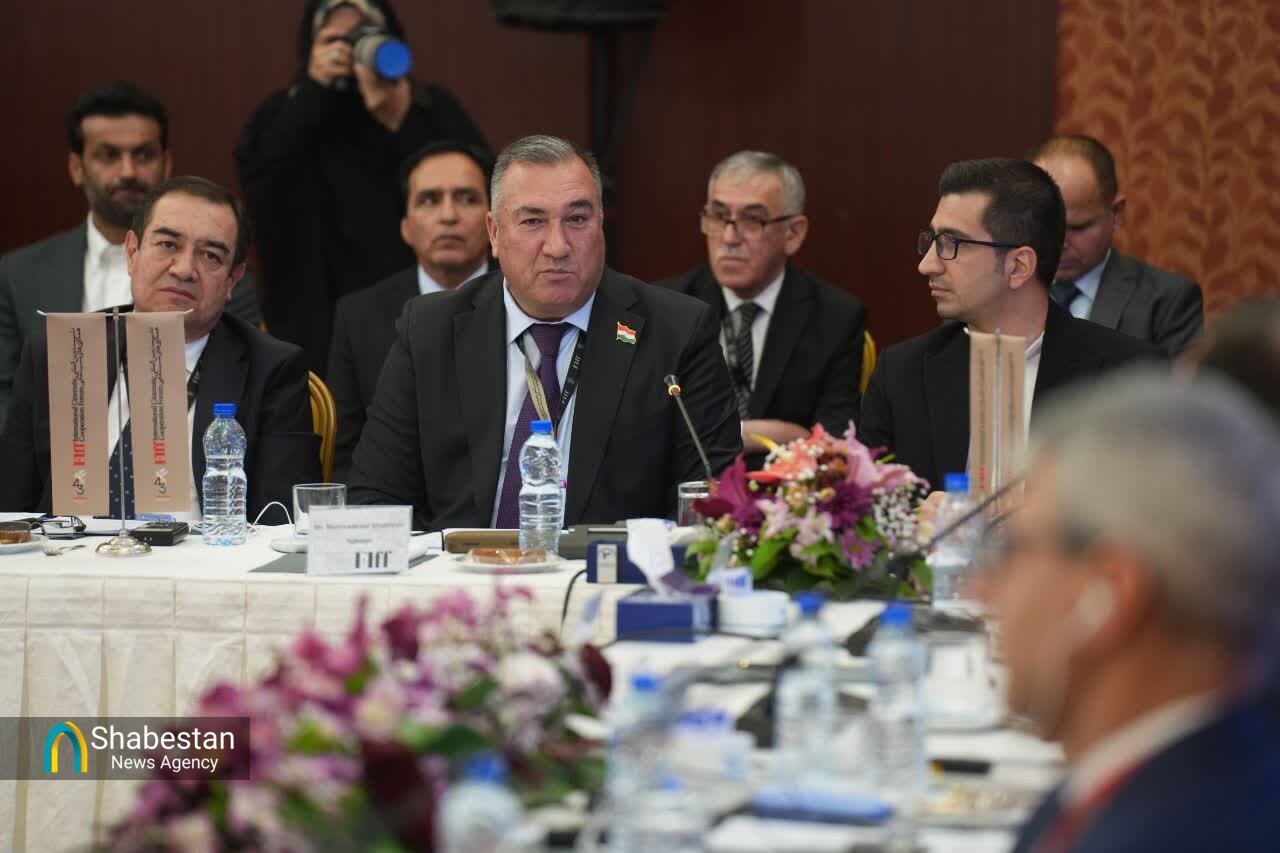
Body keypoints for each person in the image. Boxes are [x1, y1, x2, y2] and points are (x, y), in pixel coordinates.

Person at [347, 135, 741, 530]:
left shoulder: (676, 332)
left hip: (604, 564)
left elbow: (713, 501)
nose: (558, 246)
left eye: (577, 219)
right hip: (464, 564)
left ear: (601, 225)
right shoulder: (430, 330)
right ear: (494, 233)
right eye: (533, 221)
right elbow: (376, 497)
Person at [981, 371, 1280, 852]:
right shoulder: (1120, 790)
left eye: (1013, 550)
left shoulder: (1186, 833)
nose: (983, 591)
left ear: (1108, 594)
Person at [0, 177, 319, 518]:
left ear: (233, 280)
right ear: (132, 253)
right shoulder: (58, 353)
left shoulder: (271, 370)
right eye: (168, 244)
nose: (184, 269)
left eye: (211, 255)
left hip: (202, 552)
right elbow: (11, 512)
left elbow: (280, 522)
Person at [859, 158, 1157, 491]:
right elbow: (867, 506)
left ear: (1018, 266)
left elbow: (1147, 508)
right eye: (932, 240)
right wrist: (925, 516)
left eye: (951, 244)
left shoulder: (1127, 376)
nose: (927, 265)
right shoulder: (902, 373)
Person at [236, 0, 486, 375]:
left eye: (363, 35)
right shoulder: (285, 110)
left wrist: (399, 118)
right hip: (311, 309)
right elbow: (261, 186)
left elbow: (477, 184)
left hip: (410, 301)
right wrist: (315, 93)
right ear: (312, 46)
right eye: (337, 40)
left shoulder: (427, 105)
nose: (352, 51)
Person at [0, 81, 261, 426]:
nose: (128, 172)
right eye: (108, 155)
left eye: (143, 155)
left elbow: (242, 390)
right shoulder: (18, 275)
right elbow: (8, 407)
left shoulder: (216, 274)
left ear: (166, 163)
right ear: (77, 167)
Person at [656, 151, 867, 454]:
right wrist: (782, 434)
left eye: (752, 220)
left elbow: (833, 442)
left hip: (784, 483)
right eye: (718, 216)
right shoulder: (666, 307)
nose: (729, 237)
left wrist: (715, 431)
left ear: (793, 234)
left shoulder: (836, 317)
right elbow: (646, 426)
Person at [327, 140, 494, 482]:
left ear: (494, 222)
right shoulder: (358, 316)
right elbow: (344, 455)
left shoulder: (528, 302)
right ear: (406, 226)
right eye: (429, 200)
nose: (448, 216)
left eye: (466, 199)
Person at [1029, 134, 1203, 357]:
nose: (1059, 243)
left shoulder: (1166, 302)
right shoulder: (1000, 291)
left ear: (1116, 213)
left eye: (1078, 227)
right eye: (1045, 225)